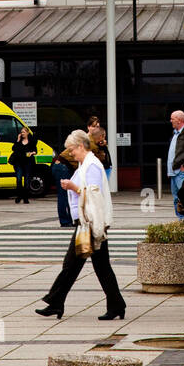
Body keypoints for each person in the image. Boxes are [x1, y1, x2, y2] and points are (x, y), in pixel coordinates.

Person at [36, 129, 126, 321]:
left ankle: (56, 302)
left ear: (80, 146)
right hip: (87, 222)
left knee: (76, 264)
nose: (70, 153)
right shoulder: (84, 164)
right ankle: (58, 302)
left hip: (89, 223)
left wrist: (72, 187)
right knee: (90, 265)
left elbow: (93, 192)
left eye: (71, 149)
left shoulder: (92, 165)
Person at [167, 109, 184, 217]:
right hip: (173, 172)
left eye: (172, 119)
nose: (170, 121)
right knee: (176, 198)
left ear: (179, 120)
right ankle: (181, 219)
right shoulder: (175, 133)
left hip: (181, 172)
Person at [50, 148, 77, 227]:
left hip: (61, 166)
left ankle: (67, 220)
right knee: (64, 195)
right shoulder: (88, 143)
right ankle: (65, 221)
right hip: (63, 167)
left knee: (65, 195)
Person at [10, 127, 36, 203]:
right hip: (18, 163)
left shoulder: (31, 141)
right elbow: (14, 148)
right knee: (18, 179)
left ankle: (25, 197)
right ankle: (19, 196)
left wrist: (32, 153)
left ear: (27, 133)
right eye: (21, 132)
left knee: (27, 180)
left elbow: (35, 150)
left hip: (28, 163)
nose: (22, 133)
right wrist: (18, 140)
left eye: (24, 132)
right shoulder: (19, 141)